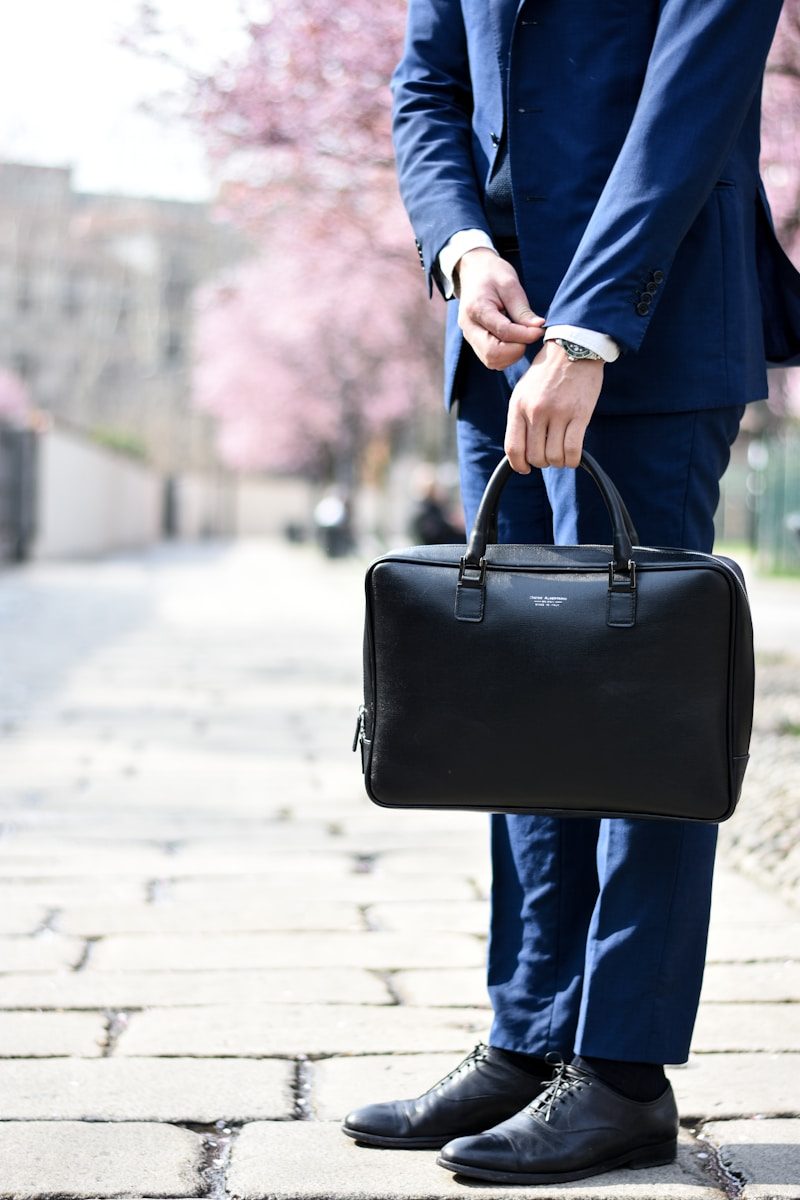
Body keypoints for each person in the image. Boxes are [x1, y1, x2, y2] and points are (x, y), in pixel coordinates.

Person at [341, 0, 800, 1187]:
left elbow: (689, 103)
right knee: (517, 705)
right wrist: (459, 247)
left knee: (638, 705)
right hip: (494, 337)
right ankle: (530, 1032)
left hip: (645, 324)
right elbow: (426, 86)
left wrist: (589, 331)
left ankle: (622, 1076)